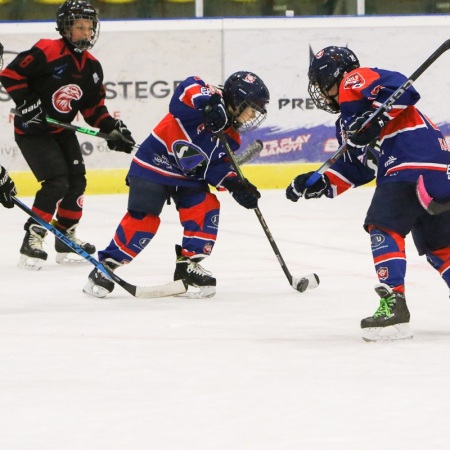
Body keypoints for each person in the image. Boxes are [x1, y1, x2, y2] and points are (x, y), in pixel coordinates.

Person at [286, 46, 450, 341]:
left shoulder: (354, 81)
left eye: (322, 86)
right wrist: (320, 183)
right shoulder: (347, 122)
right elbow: (361, 168)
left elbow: (404, 88)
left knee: (383, 226)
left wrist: (375, 120)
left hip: (409, 160)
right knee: (441, 246)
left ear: (333, 76)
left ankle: (395, 308)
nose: (322, 95)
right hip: (437, 167)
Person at [83, 71, 270, 299]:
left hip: (188, 178)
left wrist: (235, 185)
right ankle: (106, 266)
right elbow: (186, 88)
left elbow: (213, 167)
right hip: (153, 165)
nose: (253, 115)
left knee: (205, 206)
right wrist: (210, 105)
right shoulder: (207, 96)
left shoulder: (230, 136)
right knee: (144, 219)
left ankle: (187, 264)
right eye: (252, 107)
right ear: (237, 100)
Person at [0, 1, 135, 271]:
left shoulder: (92, 68)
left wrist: (112, 128)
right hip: (33, 130)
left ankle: (66, 236)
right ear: (65, 28)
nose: (85, 32)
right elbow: (11, 75)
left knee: (77, 182)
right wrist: (27, 103)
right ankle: (34, 237)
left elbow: (93, 109)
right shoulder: (46, 50)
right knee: (56, 182)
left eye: (89, 27)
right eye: (79, 27)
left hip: (61, 129)